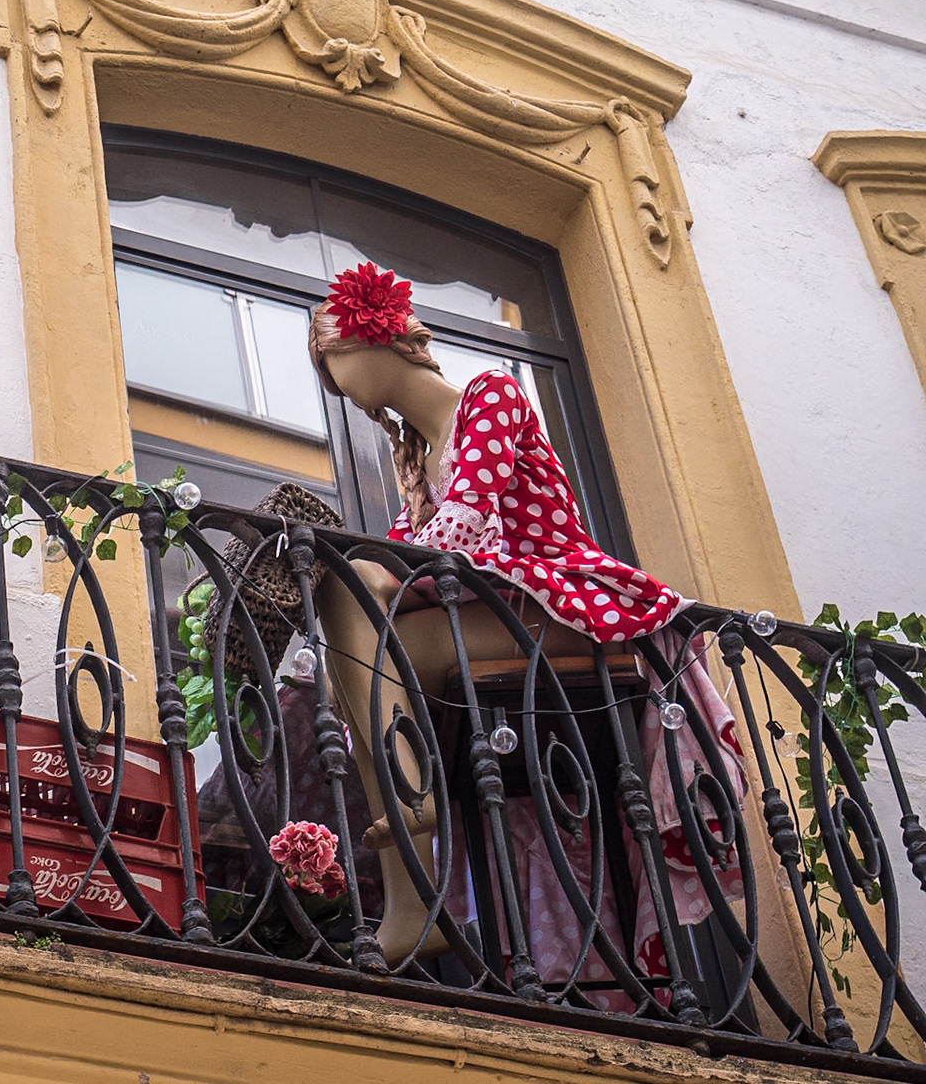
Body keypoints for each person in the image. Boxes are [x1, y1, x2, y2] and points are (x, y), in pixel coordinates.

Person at [302, 260, 742, 990]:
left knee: (367, 607)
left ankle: (412, 824)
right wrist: (362, 576)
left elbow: (463, 533)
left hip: (572, 610)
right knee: (351, 602)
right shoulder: (416, 462)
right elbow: (413, 566)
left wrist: (376, 573)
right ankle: (412, 871)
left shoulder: (490, 395)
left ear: (371, 338)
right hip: (495, 615)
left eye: (333, 363)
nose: (337, 385)